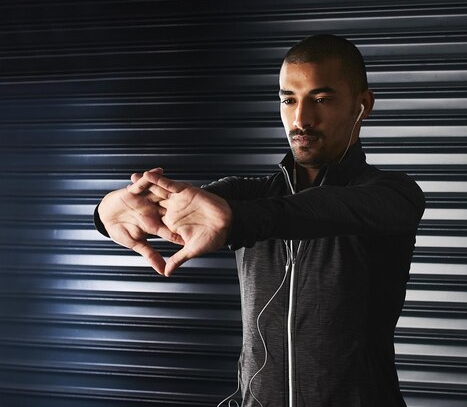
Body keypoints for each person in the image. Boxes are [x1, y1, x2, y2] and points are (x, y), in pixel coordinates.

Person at [94, 34, 425, 407]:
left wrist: (238, 218)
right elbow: (169, 207)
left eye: (321, 99)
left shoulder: (392, 194)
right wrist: (106, 211)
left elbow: (324, 209)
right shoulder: (246, 194)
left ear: (362, 105)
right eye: (289, 100)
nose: (301, 118)